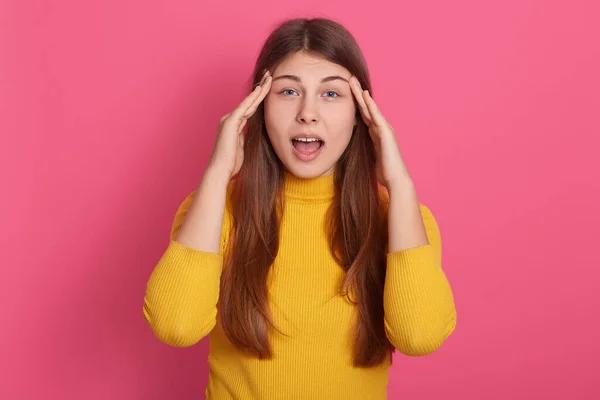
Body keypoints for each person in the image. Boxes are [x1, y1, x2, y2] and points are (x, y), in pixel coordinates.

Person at [143, 17, 457, 400]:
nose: (308, 113)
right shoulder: (212, 210)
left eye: (331, 94)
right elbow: (176, 325)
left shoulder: (403, 219)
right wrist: (217, 172)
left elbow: (419, 336)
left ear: (363, 115)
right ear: (258, 107)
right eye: (288, 92)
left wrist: (399, 184)